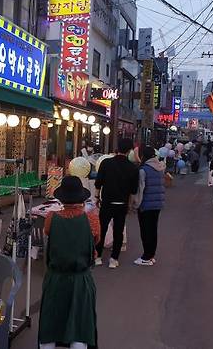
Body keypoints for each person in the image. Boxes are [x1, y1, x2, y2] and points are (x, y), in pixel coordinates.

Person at [39, 176, 100, 349]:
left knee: (50, 324)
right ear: (81, 198)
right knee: (80, 326)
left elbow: (48, 233)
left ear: (62, 198)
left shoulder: (51, 218)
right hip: (80, 280)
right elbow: (95, 240)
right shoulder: (92, 219)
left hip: (55, 279)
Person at [93, 138, 139, 269]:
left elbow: (98, 183)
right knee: (118, 231)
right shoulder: (132, 168)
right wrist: (129, 205)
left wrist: (96, 197)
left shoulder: (106, 163)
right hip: (122, 203)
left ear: (117, 148)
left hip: (106, 202)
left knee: (102, 228)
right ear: (129, 151)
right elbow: (133, 190)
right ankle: (114, 259)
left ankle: (98, 257)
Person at [131, 146, 166, 266]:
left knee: (145, 230)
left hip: (146, 204)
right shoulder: (160, 167)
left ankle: (146, 256)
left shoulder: (143, 170)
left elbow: (140, 190)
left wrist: (136, 204)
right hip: (157, 204)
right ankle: (151, 255)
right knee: (153, 229)